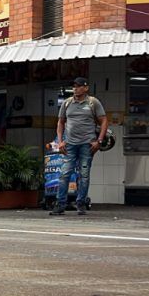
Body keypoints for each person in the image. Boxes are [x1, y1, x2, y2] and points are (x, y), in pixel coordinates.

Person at [51, 77, 108, 216]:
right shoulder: (67, 103)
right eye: (74, 86)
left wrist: (99, 141)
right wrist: (60, 141)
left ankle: (81, 203)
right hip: (69, 144)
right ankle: (60, 204)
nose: (75, 88)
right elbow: (61, 122)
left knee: (84, 175)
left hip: (87, 144)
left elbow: (104, 121)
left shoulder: (92, 102)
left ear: (85, 88)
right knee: (64, 174)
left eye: (78, 86)